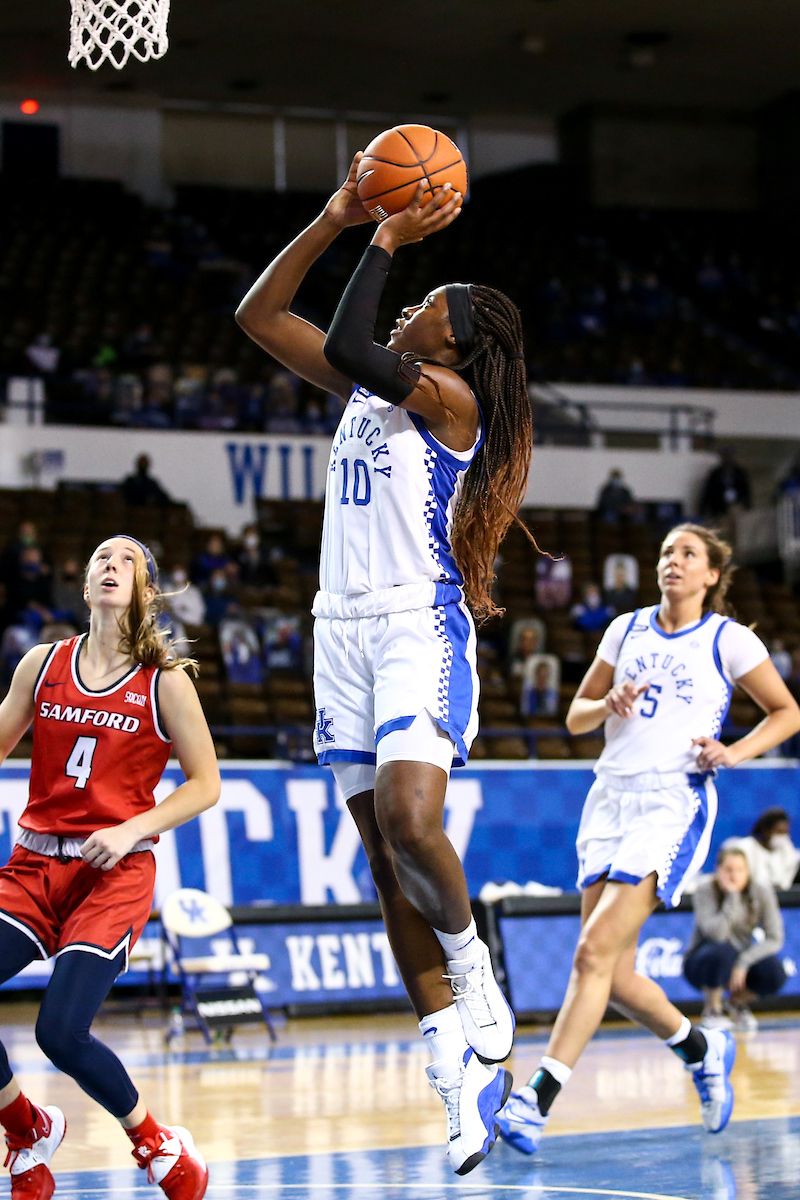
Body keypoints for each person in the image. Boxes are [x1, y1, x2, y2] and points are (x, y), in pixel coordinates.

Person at [236, 153, 534, 1175]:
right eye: (414, 294)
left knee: (412, 824)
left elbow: (357, 338)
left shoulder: (447, 398)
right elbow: (258, 314)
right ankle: (447, 1060)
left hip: (417, 629)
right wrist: (331, 215)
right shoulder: (370, 389)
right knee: (381, 866)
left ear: (462, 340)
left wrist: (386, 233)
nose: (412, 307)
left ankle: (471, 964)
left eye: (429, 303)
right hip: (340, 631)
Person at [497, 523, 800, 1156]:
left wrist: (734, 751)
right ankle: (701, 1047)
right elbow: (574, 716)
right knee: (614, 972)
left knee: (590, 954)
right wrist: (609, 702)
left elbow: (787, 711)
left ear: (712, 574)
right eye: (666, 552)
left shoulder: (728, 639)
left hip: (672, 800)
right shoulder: (626, 628)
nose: (674, 562)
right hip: (608, 799)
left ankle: (536, 1102)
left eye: (688, 554)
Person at [0, 535, 219, 1200]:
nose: (109, 566)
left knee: (59, 1032)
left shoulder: (166, 683)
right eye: (100, 556)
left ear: (146, 592)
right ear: (85, 580)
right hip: (34, 864)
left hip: (112, 876)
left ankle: (154, 1138)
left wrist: (132, 828)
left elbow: (205, 783)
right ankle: (25, 1129)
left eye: (126, 560)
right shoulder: (42, 664)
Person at [683, 847, 786, 1032]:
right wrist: (732, 897)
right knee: (722, 951)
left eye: (740, 870)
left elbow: (775, 938)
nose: (734, 875)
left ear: (748, 871)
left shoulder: (761, 892)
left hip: (740, 959)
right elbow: (717, 935)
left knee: (775, 972)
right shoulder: (704, 890)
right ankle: (712, 1010)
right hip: (701, 962)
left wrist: (743, 963)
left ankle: (736, 1003)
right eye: (728, 870)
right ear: (718, 870)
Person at [724, 807, 800, 891]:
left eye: (785, 832)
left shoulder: (786, 847)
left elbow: (788, 878)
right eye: (778, 831)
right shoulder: (745, 847)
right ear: (765, 830)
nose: (782, 836)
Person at [699, 448, 751, 519]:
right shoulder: (716, 474)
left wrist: (746, 504)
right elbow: (709, 491)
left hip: (735, 506)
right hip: (719, 507)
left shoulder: (739, 473)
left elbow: (745, 489)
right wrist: (703, 508)